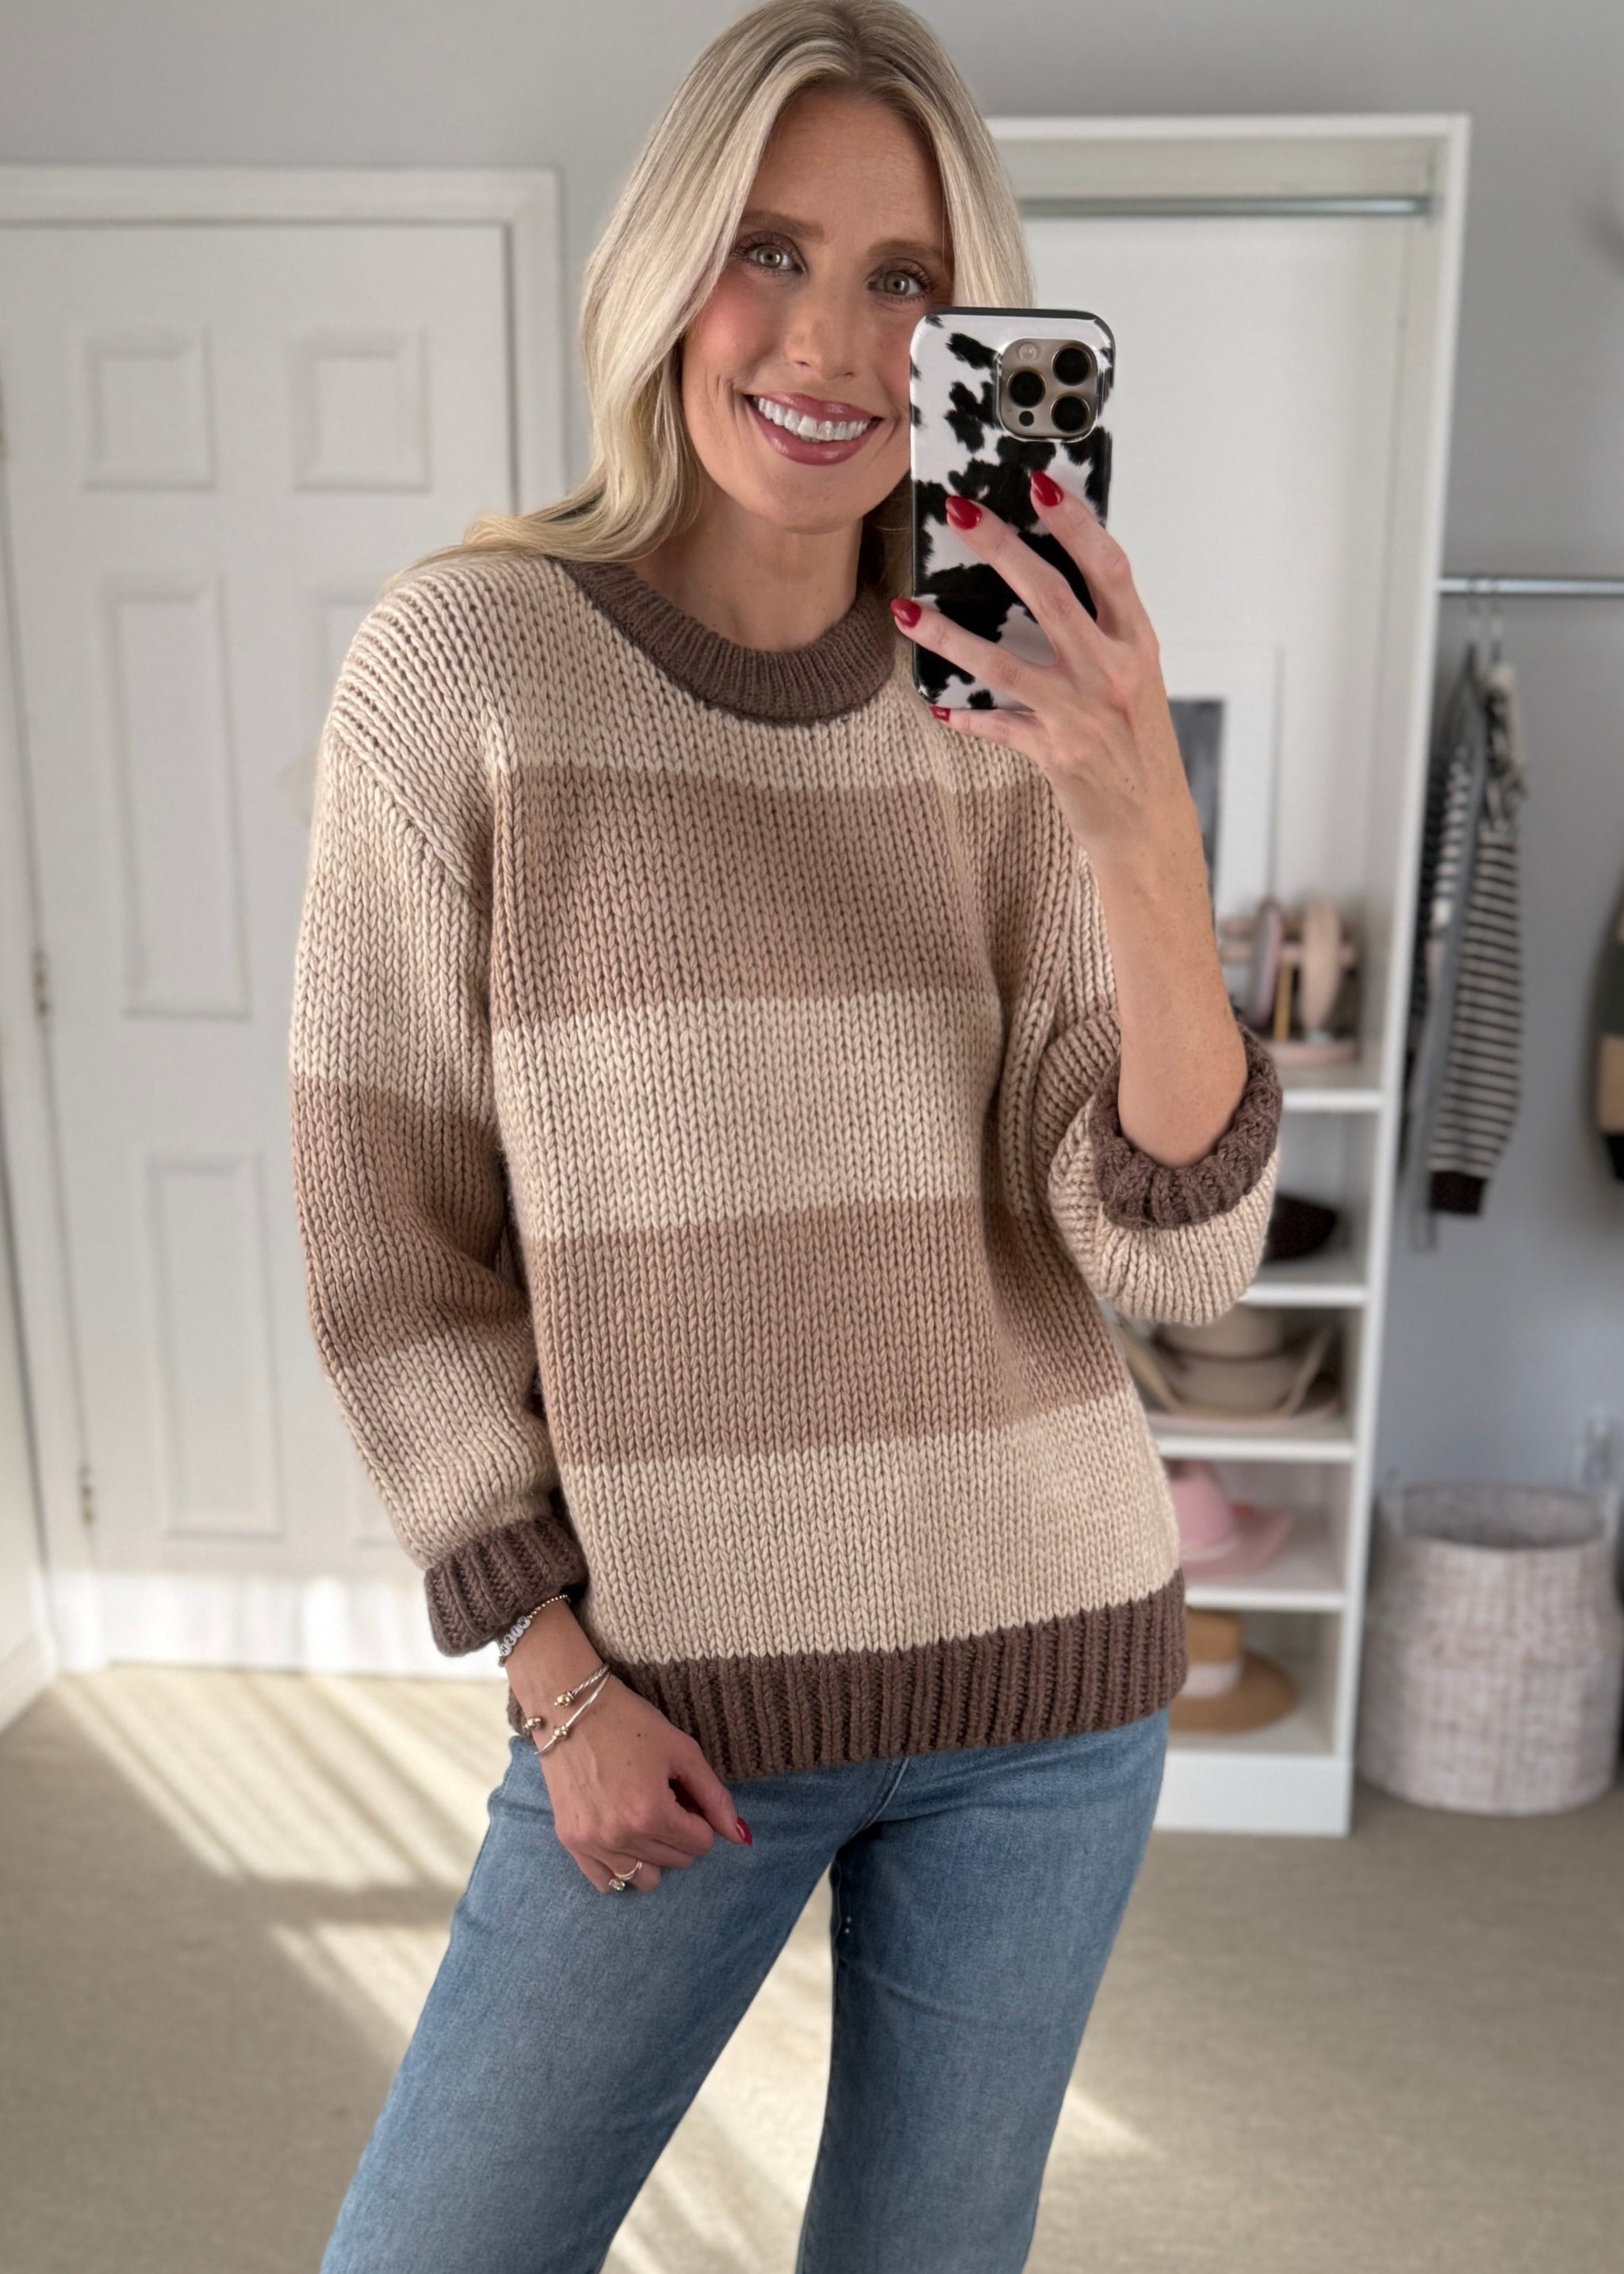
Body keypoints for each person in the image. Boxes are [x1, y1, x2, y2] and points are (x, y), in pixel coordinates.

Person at [289, 4, 1282, 2268]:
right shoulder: (466, 671)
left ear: (969, 329)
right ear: (665, 270)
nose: (830, 341)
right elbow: (391, 1246)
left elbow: (1170, 1255)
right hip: (667, 1705)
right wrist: (553, 1673)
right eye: (769, 251)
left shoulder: (1015, 707)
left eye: (905, 279)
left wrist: (1138, 825)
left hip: (1048, 1682)